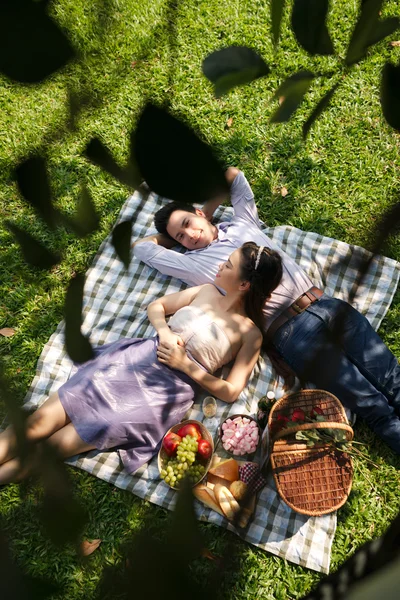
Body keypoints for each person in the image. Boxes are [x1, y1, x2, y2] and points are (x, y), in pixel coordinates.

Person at [132, 168, 400, 455]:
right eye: (180, 236)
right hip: (292, 333)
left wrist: (207, 213)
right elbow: (141, 248)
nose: (189, 235)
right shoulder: (193, 264)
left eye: (187, 223)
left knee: (393, 378)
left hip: (326, 304)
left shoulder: (242, 223)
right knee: (370, 403)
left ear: (199, 213)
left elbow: (233, 176)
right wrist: (171, 239)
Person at [0, 243, 283, 484]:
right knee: (37, 425)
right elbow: (157, 307)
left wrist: (187, 366)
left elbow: (231, 391)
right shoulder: (206, 291)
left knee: (54, 447)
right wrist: (164, 331)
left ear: (244, 285)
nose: (221, 265)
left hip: (161, 395)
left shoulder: (250, 334)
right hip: (135, 362)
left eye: (229, 264)